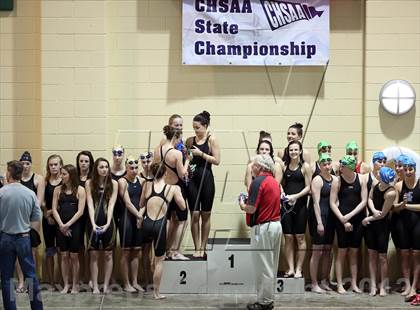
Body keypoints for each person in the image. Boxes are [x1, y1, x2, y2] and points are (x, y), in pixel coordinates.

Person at [239, 154, 282, 310]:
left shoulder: (258, 182)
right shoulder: (274, 182)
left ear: (260, 166)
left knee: (263, 266)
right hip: (276, 225)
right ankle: (268, 298)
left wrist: (242, 204)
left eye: (253, 165)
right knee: (271, 265)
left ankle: (264, 302)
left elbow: (252, 208)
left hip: (264, 227)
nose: (251, 167)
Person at [139, 163, 187, 299]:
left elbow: (141, 204)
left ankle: (147, 283)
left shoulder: (147, 186)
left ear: (153, 174)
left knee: (146, 254)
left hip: (147, 223)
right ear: (165, 173)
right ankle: (156, 293)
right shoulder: (172, 188)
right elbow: (183, 207)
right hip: (160, 226)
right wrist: (177, 194)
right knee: (159, 260)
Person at [0, 160, 43, 310]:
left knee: (6, 277)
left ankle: (11, 307)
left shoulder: (1, 193)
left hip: (5, 237)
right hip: (24, 237)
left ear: (9, 173)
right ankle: (36, 307)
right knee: (30, 276)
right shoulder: (30, 193)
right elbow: (37, 216)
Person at [330, 155, 367, 294]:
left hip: (356, 219)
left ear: (350, 168)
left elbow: (363, 201)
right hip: (341, 220)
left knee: (354, 252)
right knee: (342, 252)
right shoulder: (337, 181)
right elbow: (332, 202)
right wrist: (343, 219)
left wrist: (350, 216)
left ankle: (354, 283)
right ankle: (339, 284)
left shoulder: (361, 179)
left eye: (343, 166)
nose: (340, 168)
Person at [186, 111, 221, 258]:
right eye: (194, 127)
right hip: (193, 180)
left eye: (198, 127)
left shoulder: (212, 140)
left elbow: (217, 161)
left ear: (205, 126)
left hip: (206, 179)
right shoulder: (190, 141)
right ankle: (196, 247)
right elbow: (187, 158)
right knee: (194, 215)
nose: (195, 130)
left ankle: (203, 247)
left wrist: (201, 154)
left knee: (205, 215)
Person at [154, 125, 191, 260]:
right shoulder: (176, 153)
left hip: (162, 188)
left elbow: (155, 169)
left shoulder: (157, 150)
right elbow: (183, 175)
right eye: (179, 139)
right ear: (175, 137)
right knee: (183, 220)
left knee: (167, 220)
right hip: (175, 188)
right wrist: (187, 160)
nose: (179, 142)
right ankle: (174, 251)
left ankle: (164, 251)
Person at [85, 158, 118, 294]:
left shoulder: (114, 183)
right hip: (92, 222)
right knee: (93, 255)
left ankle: (105, 284)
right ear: (96, 169)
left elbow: (111, 205)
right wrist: (93, 224)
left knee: (108, 254)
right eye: (101, 167)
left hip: (108, 222)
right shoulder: (89, 183)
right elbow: (90, 205)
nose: (104, 169)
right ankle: (96, 286)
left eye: (106, 167)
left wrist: (108, 223)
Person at [52, 164, 86, 294]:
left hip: (75, 226)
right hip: (61, 227)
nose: (61, 176)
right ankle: (66, 285)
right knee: (64, 256)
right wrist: (61, 225)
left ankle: (75, 285)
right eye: (61, 173)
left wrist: (68, 225)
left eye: (64, 174)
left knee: (74, 256)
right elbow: (54, 209)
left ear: (71, 176)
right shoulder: (57, 190)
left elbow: (80, 211)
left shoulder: (80, 190)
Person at [362, 167, 396, 296]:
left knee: (382, 257)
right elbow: (370, 198)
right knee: (371, 255)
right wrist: (373, 211)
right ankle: (373, 285)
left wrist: (369, 218)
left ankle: (383, 286)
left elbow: (383, 214)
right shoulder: (376, 183)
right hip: (371, 223)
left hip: (382, 225)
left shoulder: (391, 193)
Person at [281, 140, 311, 278]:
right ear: (288, 151)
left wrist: (296, 197)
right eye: (291, 150)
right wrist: (283, 193)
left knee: (299, 238)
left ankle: (299, 269)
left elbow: (308, 188)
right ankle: (291, 268)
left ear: (300, 151)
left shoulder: (305, 167)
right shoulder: (284, 166)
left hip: (300, 207)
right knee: (288, 237)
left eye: (295, 150)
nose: (293, 152)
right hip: (286, 207)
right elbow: (279, 183)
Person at [16, 151, 45, 293]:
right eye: (22, 163)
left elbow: (38, 202)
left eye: (27, 163)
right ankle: (21, 281)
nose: (25, 166)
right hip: (18, 218)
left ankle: (31, 281)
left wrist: (27, 215)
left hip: (32, 217)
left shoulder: (38, 179)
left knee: (31, 251)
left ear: (31, 164)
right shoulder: (15, 178)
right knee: (18, 250)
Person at [392, 157, 420, 298]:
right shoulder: (398, 186)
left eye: (411, 169)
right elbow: (394, 208)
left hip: (417, 224)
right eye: (406, 169)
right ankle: (407, 285)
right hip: (402, 224)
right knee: (404, 254)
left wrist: (406, 206)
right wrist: (401, 205)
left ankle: (414, 286)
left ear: (415, 169)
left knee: (416, 255)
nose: (408, 171)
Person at [309, 153, 336, 293]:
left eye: (328, 163)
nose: (327, 166)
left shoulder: (335, 179)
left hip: (331, 219)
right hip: (320, 218)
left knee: (327, 251)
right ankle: (314, 284)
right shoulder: (317, 180)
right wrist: (319, 222)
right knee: (317, 251)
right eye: (324, 164)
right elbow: (315, 203)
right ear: (320, 166)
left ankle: (325, 281)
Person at [118, 156, 144, 293]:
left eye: (135, 168)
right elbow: (127, 203)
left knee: (136, 251)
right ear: (126, 168)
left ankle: (135, 282)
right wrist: (139, 215)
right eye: (131, 168)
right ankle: (126, 283)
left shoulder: (142, 180)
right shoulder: (122, 181)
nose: (134, 170)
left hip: (138, 218)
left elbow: (144, 200)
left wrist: (141, 214)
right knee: (126, 252)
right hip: (126, 219)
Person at [42, 154, 63, 290]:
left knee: (62, 251)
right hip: (48, 220)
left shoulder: (64, 180)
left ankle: (62, 280)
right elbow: (42, 201)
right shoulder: (45, 181)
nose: (53, 167)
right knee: (50, 251)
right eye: (51, 165)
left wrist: (55, 214)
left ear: (61, 165)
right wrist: (47, 214)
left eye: (56, 164)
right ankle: (51, 282)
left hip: (62, 220)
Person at [75, 150, 94, 285]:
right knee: (79, 248)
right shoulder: (74, 178)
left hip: (90, 215)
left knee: (91, 248)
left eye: (86, 161)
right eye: (81, 161)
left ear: (90, 163)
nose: (83, 163)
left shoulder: (93, 178)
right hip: (77, 216)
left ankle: (91, 277)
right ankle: (81, 276)